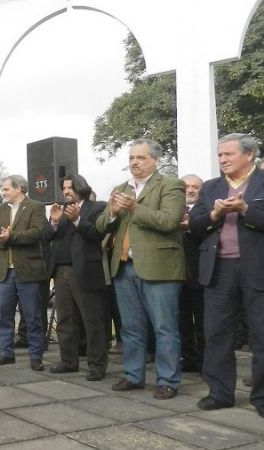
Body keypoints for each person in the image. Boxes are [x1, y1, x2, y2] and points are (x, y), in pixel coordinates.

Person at [95, 138, 185, 400]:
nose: (134, 162)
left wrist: (135, 207)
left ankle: (168, 380)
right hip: (124, 268)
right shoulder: (120, 188)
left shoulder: (170, 185)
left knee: (165, 328)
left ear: (156, 160)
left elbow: (169, 221)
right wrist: (111, 212)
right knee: (130, 328)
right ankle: (134, 375)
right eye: (132, 158)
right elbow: (102, 226)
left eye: (140, 158)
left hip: (159, 267)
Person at [189, 133, 264, 418]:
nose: (222, 160)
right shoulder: (210, 188)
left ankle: (262, 397)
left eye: (229, 154)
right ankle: (220, 393)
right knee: (217, 333)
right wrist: (213, 215)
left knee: (261, 335)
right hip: (218, 268)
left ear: (249, 155)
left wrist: (245, 208)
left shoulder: (261, 182)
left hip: (256, 267)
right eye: (220, 155)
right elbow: (194, 226)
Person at [42, 175, 108, 381]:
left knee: (92, 320)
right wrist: (53, 221)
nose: (66, 191)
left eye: (70, 187)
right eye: (64, 187)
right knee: (65, 320)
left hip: (85, 270)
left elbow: (96, 234)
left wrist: (77, 219)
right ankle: (68, 361)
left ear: (80, 187)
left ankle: (97, 365)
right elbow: (46, 237)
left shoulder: (97, 207)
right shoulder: (60, 210)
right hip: (61, 271)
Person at [0, 175, 47, 371]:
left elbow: (38, 233)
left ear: (19, 188)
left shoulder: (36, 206)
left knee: (33, 316)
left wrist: (11, 237)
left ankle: (36, 356)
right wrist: (0, 239)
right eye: (2, 190)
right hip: (3, 271)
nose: (3, 193)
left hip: (28, 270)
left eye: (6, 189)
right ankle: (5, 353)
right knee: (4, 315)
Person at [179, 174, 205, 373]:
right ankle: (188, 358)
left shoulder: (207, 210)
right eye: (186, 186)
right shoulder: (173, 210)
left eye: (195, 186)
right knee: (182, 321)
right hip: (177, 275)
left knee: (203, 322)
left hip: (200, 274)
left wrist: (190, 228)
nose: (190, 190)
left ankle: (204, 360)